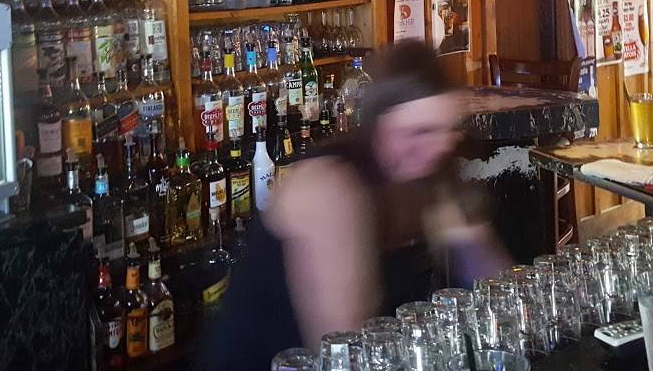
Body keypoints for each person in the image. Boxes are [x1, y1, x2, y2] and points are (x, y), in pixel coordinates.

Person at [202, 41, 509, 370]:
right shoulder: (330, 187)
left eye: (444, 131)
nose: (433, 146)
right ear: (379, 124)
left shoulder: (425, 172)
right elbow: (343, 349)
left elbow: (491, 281)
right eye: (418, 131)